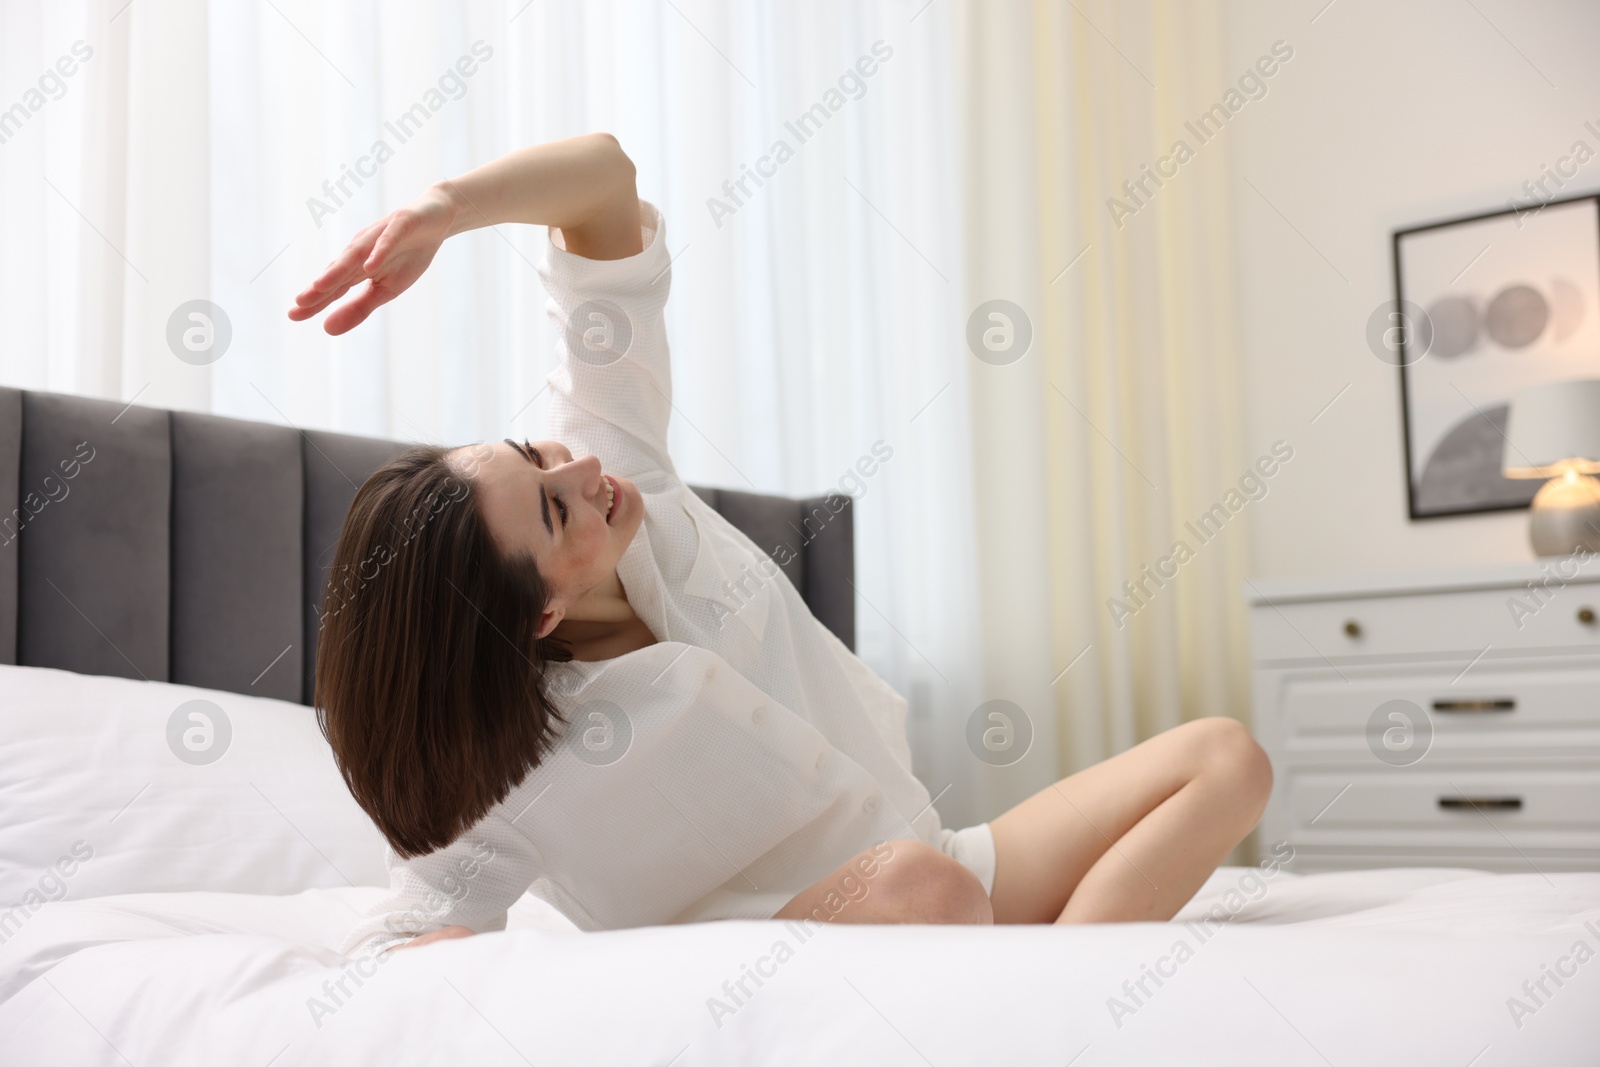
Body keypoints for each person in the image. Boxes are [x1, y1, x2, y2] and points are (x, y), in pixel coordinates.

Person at [289, 133, 1272, 959]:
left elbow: (604, 180)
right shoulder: (504, 765)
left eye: (534, 453)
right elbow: (414, 928)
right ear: (536, 610)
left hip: (941, 863)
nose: (580, 472)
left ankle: (1051, 992)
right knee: (917, 888)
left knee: (1227, 759)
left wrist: (445, 209)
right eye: (554, 512)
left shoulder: (628, 475)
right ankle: (1059, 1005)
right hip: (808, 934)